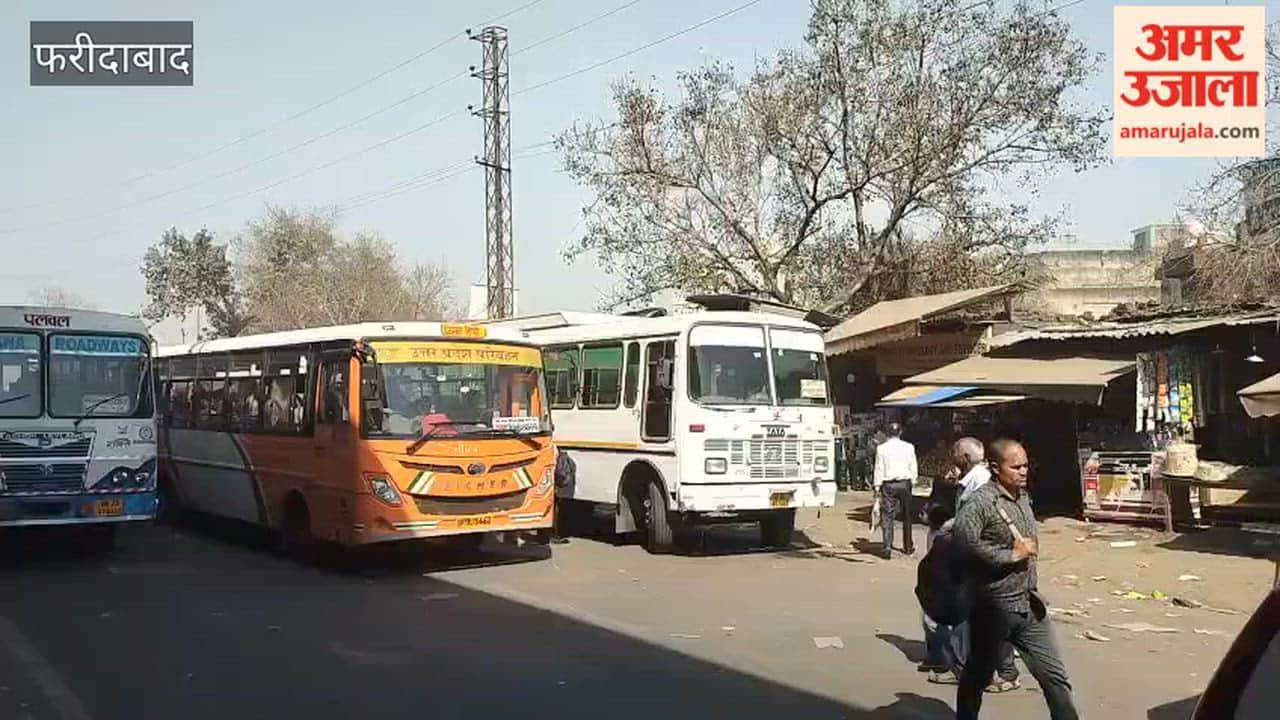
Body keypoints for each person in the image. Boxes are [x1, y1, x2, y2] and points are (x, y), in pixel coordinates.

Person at [953, 439, 1079, 720]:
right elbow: (962, 545)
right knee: (978, 675)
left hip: (1029, 605)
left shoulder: (1022, 497)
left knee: (1054, 676)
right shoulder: (980, 503)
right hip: (993, 608)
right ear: (996, 468)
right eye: (1016, 467)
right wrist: (1009, 555)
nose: (1023, 471)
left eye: (1025, 465)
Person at [922, 437, 1021, 693]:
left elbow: (975, 520)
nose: (951, 457)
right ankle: (974, 668)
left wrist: (947, 529)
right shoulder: (970, 480)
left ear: (964, 458)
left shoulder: (979, 482)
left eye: (954, 453)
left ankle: (980, 670)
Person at [873, 422, 917, 559]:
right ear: (900, 432)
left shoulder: (881, 448)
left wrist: (876, 486)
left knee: (887, 516)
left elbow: (879, 468)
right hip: (905, 484)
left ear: (887, 433)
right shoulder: (909, 447)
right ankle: (908, 546)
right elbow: (913, 465)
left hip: (889, 485)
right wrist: (913, 481)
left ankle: (887, 546)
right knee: (907, 516)